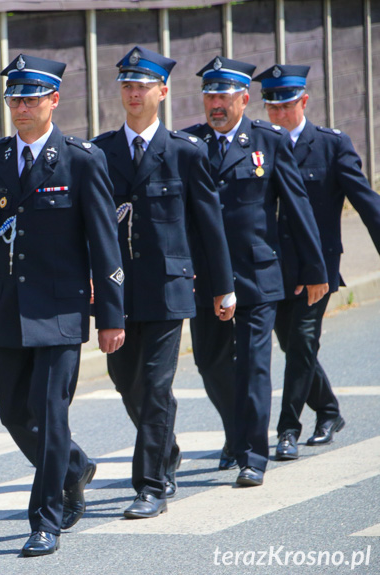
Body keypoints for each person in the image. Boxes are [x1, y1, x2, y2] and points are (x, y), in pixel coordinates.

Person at [0, 53, 125, 556]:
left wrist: (110, 316)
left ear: (54, 99)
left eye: (31, 97)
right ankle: (72, 466)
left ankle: (45, 518)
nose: (21, 106)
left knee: (50, 415)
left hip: (61, 309)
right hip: (10, 308)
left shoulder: (81, 158)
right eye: (14, 97)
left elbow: (105, 244)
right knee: (13, 412)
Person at [92, 47, 235, 519]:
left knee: (154, 386)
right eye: (126, 85)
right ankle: (165, 449)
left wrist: (223, 287)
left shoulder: (184, 152)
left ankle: (150, 485)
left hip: (171, 290)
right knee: (126, 383)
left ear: (163, 91)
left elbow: (209, 225)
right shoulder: (99, 151)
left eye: (142, 85)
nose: (133, 93)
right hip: (118, 293)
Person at [184, 56, 327, 487]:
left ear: (244, 99)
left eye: (224, 96)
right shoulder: (189, 145)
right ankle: (237, 433)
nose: (216, 104)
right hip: (207, 278)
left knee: (253, 365)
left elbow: (297, 206)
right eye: (210, 95)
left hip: (256, 274)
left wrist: (314, 268)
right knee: (210, 363)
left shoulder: (270, 141)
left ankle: (252, 456)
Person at [256, 64, 380, 458]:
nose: (278, 114)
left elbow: (367, 203)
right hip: (274, 268)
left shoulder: (331, 145)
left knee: (303, 342)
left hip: (318, 268)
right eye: (271, 107)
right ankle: (328, 410)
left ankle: (288, 429)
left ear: (304, 102)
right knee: (293, 346)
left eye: (286, 106)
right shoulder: (259, 145)